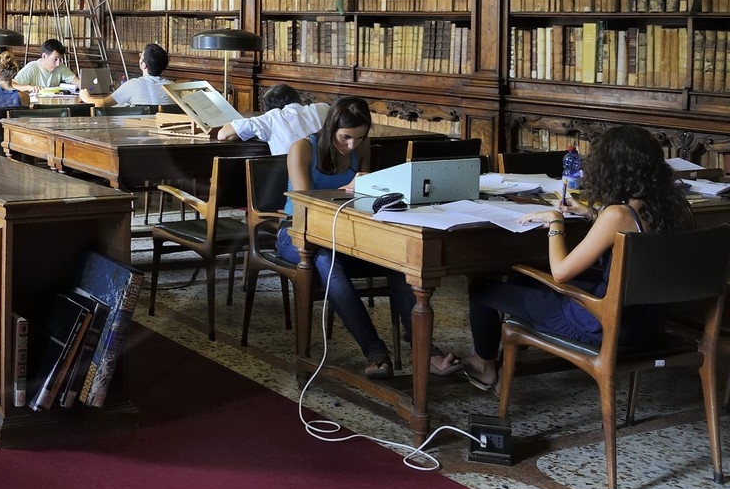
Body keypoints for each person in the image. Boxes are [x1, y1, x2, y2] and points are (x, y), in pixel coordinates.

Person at [459, 124, 692, 393]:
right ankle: (511, 364)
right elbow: (629, 226)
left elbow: (560, 273)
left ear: (611, 169)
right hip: (647, 324)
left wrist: (555, 221)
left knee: (482, 289)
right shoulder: (675, 208)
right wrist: (591, 214)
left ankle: (485, 367)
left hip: (601, 327)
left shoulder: (616, 215)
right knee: (520, 281)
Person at [275, 96, 461, 380]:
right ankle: (375, 351)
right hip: (297, 232)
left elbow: (365, 200)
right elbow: (303, 204)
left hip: (343, 231)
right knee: (327, 262)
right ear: (330, 127)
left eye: (359, 138)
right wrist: (348, 186)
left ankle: (425, 350)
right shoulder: (302, 148)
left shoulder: (362, 148)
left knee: (397, 262)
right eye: (346, 137)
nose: (352, 145)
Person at [214, 83, 330, 154]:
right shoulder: (323, 108)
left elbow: (223, 135)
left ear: (270, 109)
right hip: (329, 174)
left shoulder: (272, 118)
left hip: (289, 178)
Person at [80, 43, 170, 107]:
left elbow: (100, 104)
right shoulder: (172, 87)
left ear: (143, 65)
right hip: (165, 127)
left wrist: (87, 98)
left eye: (140, 56)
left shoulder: (133, 85)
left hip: (138, 128)